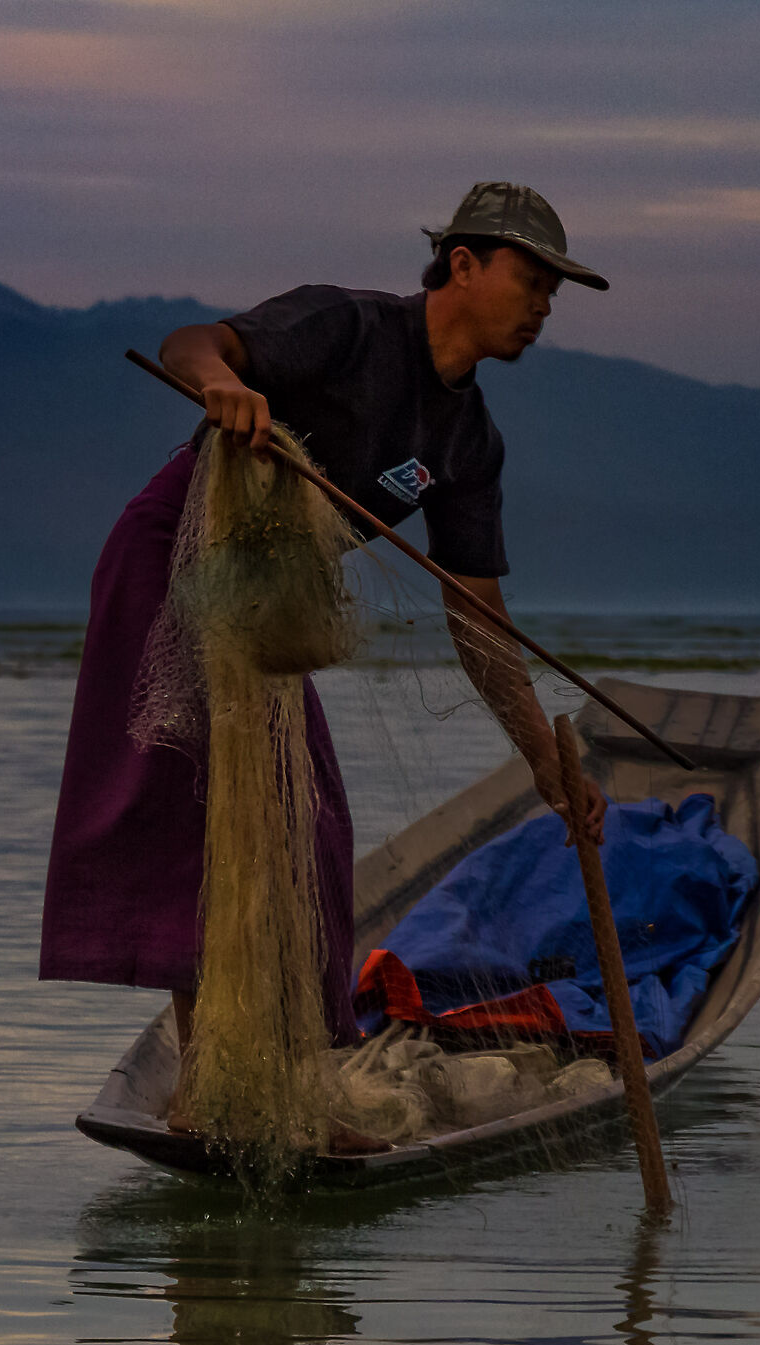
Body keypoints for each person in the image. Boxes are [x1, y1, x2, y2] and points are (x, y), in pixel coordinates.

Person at [40, 180, 611, 1070]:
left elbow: (478, 613)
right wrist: (226, 387)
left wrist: (544, 758)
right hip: (172, 559)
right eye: (532, 280)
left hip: (266, 605)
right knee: (195, 812)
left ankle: (299, 1081)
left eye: (553, 294)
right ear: (462, 264)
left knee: (312, 827)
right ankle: (208, 1086)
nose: (543, 308)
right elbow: (191, 343)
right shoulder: (346, 326)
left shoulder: (468, 443)